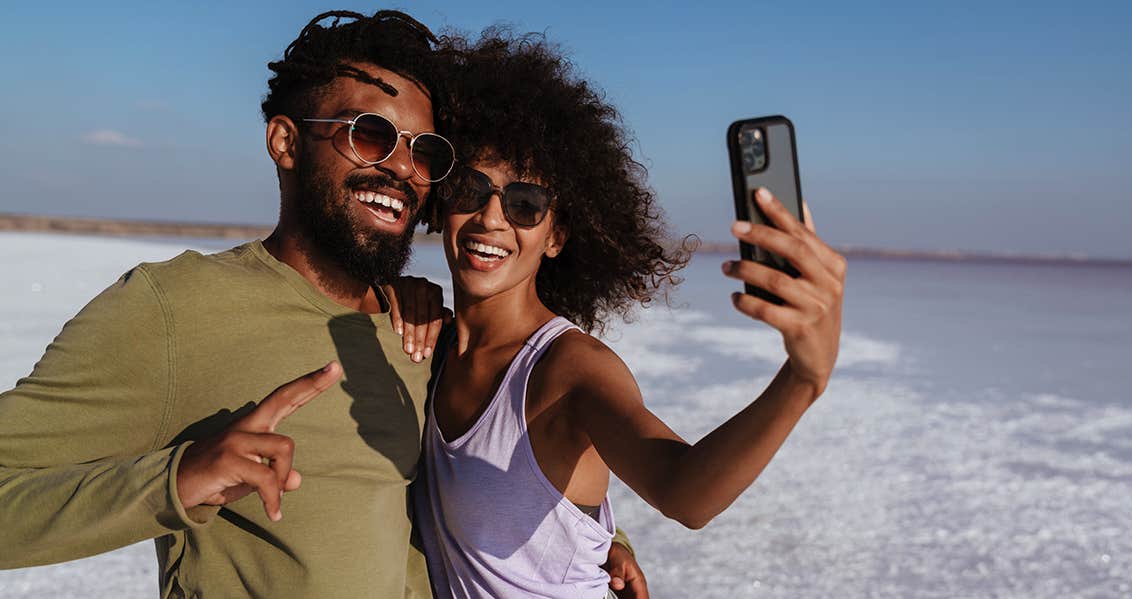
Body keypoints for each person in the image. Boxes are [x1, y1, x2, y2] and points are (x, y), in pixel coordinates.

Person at [0, 11, 642, 598]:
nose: (401, 169)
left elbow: (460, 494)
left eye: (426, 152)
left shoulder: (422, 331)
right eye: (370, 135)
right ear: (285, 142)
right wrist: (179, 480)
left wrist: (589, 544)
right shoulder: (172, 311)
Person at [404, 29, 847, 598]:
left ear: (556, 235)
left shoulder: (570, 371)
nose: (492, 218)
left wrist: (804, 380)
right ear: (443, 201)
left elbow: (686, 494)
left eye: (524, 204)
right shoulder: (431, 343)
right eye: (471, 189)